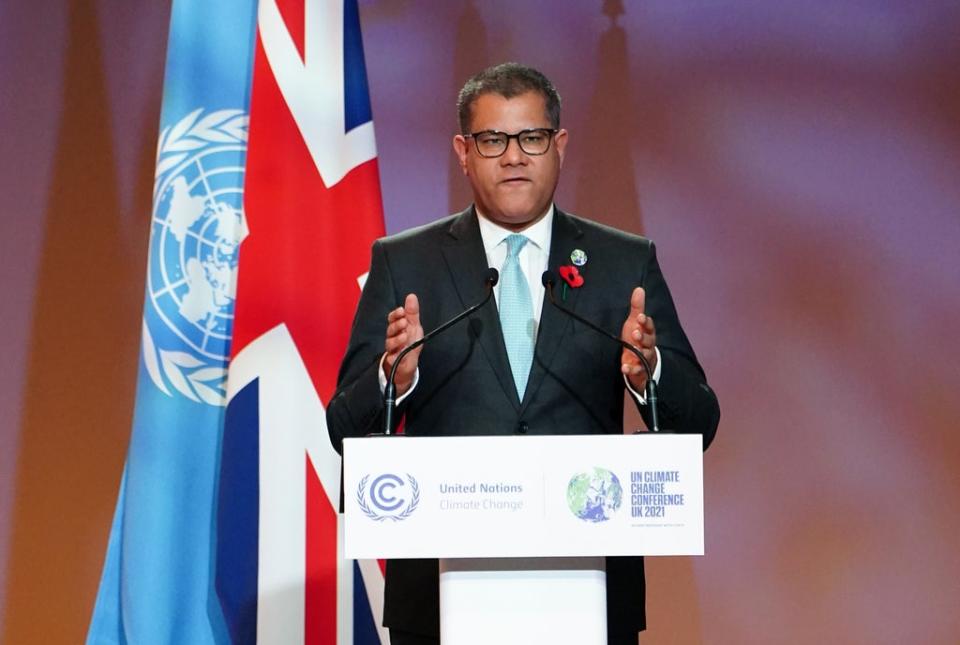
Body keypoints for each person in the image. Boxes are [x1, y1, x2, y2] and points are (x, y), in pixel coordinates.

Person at [327, 62, 720, 645]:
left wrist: (650, 373)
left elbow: (701, 421)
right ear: (464, 151)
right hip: (438, 598)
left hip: (587, 591)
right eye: (493, 140)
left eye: (531, 137)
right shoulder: (405, 264)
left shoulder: (621, 264)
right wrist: (393, 378)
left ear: (559, 146)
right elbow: (342, 426)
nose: (514, 156)